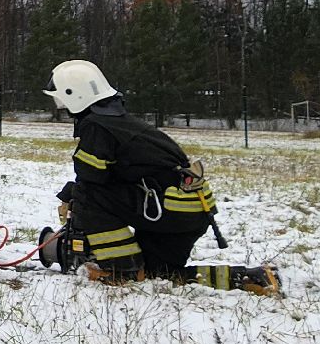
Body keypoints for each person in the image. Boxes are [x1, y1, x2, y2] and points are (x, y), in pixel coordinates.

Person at [46, 59, 278, 293]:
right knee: (160, 274)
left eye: (62, 100)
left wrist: (72, 194)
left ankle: (121, 269)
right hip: (191, 208)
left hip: (168, 206)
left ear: (73, 95)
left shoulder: (98, 126)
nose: (61, 106)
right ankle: (253, 278)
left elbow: (90, 178)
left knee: (87, 196)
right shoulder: (121, 123)